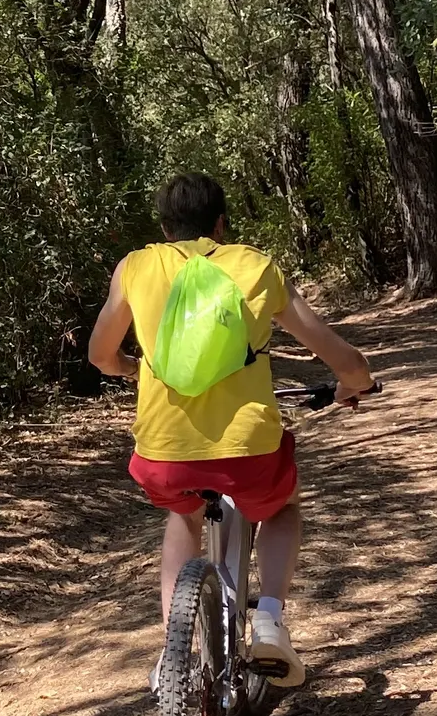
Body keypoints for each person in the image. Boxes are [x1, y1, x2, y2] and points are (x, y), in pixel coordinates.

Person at [88, 173, 375, 689]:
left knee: (184, 513)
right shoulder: (254, 267)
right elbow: (340, 355)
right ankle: (268, 618)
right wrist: (353, 383)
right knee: (285, 507)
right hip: (248, 451)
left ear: (164, 227)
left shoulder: (136, 267)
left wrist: (133, 368)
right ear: (221, 224)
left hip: (162, 452)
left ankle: (177, 651)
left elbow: (100, 356)